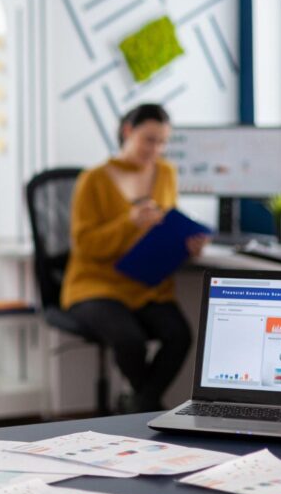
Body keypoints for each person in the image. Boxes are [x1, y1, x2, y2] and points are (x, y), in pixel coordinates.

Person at [61, 104, 203, 413]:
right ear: (128, 131)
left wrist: (187, 244)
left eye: (163, 142)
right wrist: (129, 222)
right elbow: (84, 245)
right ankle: (151, 409)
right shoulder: (93, 180)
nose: (156, 149)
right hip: (96, 285)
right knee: (130, 341)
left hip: (146, 284)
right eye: (149, 140)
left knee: (179, 335)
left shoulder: (166, 173)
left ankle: (139, 405)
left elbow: (165, 227)